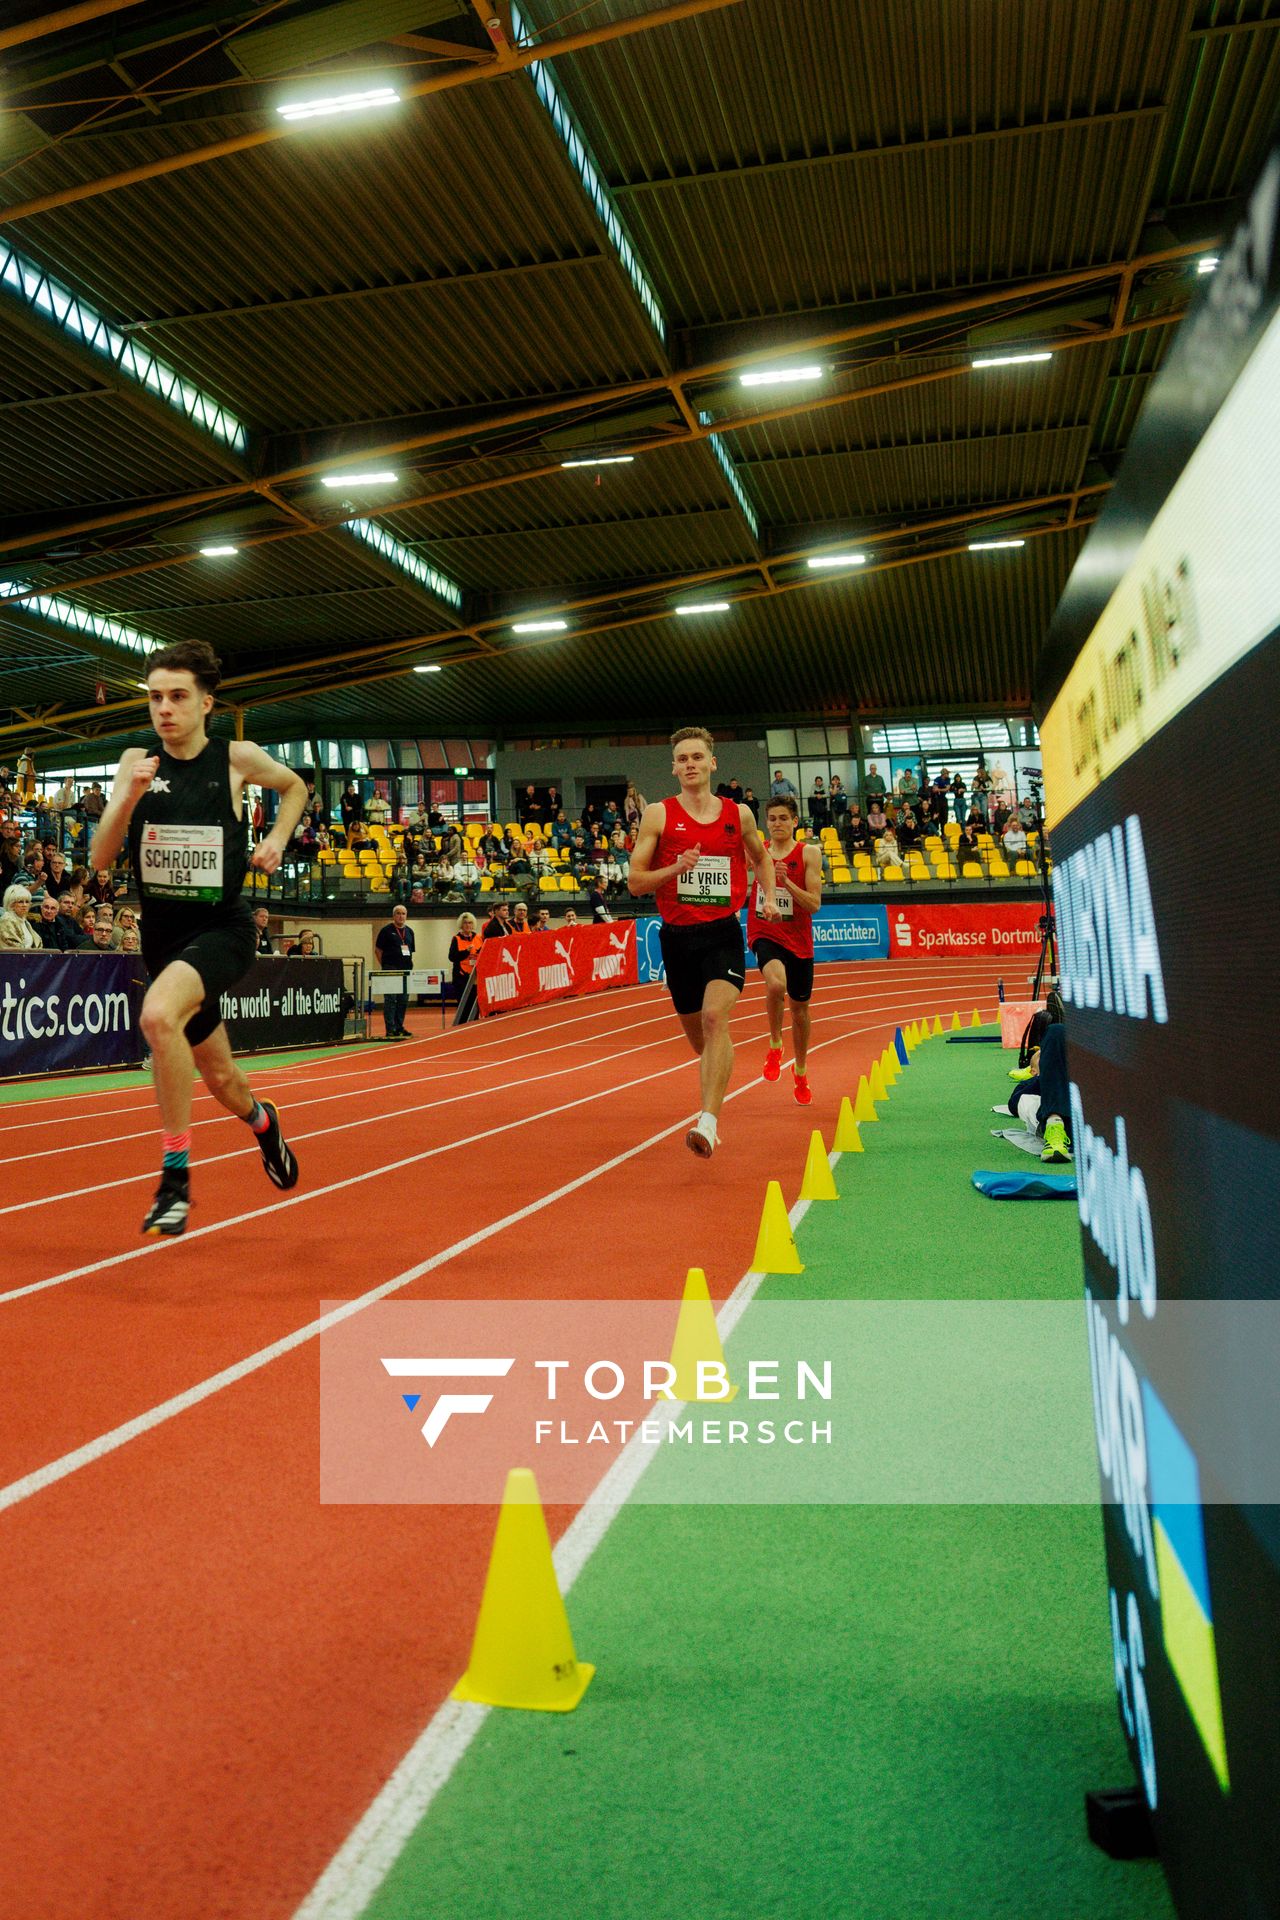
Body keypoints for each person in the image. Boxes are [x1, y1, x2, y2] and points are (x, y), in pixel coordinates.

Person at [91, 639, 305, 1237]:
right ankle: (265, 1124)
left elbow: (295, 789)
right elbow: (102, 858)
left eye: (178, 696)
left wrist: (277, 841)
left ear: (207, 703)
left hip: (223, 930)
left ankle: (175, 1179)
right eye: (155, 697)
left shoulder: (236, 759)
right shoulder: (136, 762)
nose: (164, 708)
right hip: (164, 941)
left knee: (157, 1017)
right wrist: (129, 795)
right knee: (224, 1081)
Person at [628, 725, 777, 1158]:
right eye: (683, 759)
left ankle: (708, 1123)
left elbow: (762, 857)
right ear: (674, 768)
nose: (690, 764)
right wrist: (676, 868)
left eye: (698, 757)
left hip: (721, 933)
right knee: (702, 1042)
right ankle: (717, 1077)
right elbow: (636, 881)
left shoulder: (739, 814)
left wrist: (766, 896)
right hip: (676, 939)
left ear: (713, 763)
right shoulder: (658, 814)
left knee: (715, 1019)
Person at [748, 795, 822, 1105]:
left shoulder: (809, 854)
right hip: (765, 931)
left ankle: (801, 1072)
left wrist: (786, 883)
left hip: (799, 940)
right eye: (772, 818)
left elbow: (814, 904)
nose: (777, 823)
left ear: (795, 822)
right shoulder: (758, 851)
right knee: (776, 984)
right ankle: (775, 1045)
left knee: (801, 1010)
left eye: (783, 818)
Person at [374, 904, 415, 1039]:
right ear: (393, 916)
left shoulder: (409, 932)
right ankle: (390, 1029)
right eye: (398, 913)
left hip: (406, 970)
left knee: (403, 999)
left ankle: (399, 1027)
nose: (401, 916)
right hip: (391, 969)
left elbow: (410, 951)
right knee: (391, 999)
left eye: (403, 913)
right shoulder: (386, 931)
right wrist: (386, 966)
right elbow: (378, 951)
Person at [448, 911, 482, 999]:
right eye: (465, 923)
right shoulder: (456, 939)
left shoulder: (479, 938)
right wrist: (466, 952)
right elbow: (452, 957)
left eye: (470, 923)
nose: (468, 925)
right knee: (463, 1005)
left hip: (475, 977)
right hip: (461, 977)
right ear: (461, 925)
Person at [0, 884, 39, 949]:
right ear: (11, 904)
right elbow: (11, 946)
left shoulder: (25, 922)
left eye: (27, 902)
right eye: (20, 902)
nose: (24, 905)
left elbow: (37, 944)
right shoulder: (6, 920)